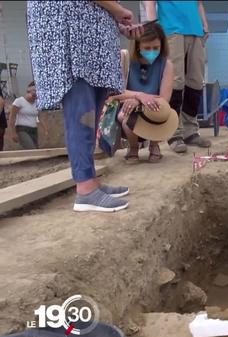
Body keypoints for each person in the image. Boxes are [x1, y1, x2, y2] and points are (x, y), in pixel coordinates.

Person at [26, 1, 143, 212]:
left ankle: (90, 180)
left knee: (93, 106)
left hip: (90, 27)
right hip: (70, 24)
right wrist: (117, 10)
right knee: (81, 108)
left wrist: (115, 20)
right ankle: (86, 190)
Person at [144, 0, 211, 153]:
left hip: (196, 31)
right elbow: (150, 2)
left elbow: (199, 3)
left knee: (195, 81)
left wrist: (204, 24)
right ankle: (174, 132)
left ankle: (191, 131)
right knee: (175, 82)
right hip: (171, 31)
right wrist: (154, 28)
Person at [114, 22, 174, 163]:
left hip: (154, 108)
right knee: (126, 115)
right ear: (137, 46)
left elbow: (165, 99)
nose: (152, 51)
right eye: (147, 48)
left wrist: (140, 100)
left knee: (162, 111)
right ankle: (133, 147)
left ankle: (154, 145)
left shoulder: (166, 65)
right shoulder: (124, 59)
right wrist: (139, 96)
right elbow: (115, 92)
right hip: (127, 108)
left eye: (156, 48)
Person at [8, 82, 47, 149]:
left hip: (33, 129)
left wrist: (45, 130)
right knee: (31, 148)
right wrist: (13, 132)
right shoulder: (19, 101)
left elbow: (40, 117)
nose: (34, 98)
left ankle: (19, 150)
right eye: (33, 95)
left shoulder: (37, 103)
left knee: (34, 149)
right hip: (22, 129)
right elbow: (12, 117)